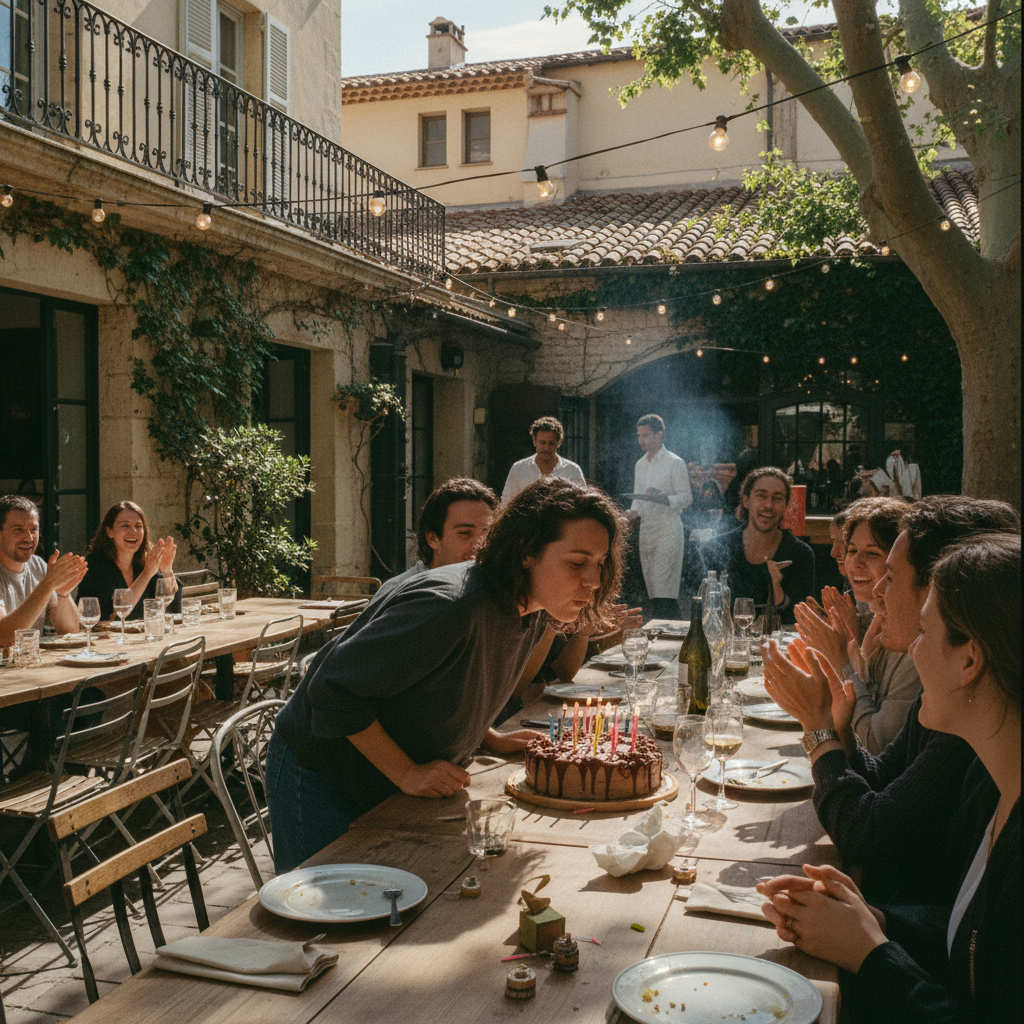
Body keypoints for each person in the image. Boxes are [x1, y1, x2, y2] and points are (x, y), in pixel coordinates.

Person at [267, 476, 626, 872]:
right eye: (577, 562)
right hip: (322, 774)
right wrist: (406, 772)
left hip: (390, 781)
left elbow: (450, 676)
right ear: (526, 551)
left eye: (600, 563)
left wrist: (486, 736)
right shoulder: (450, 605)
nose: (592, 581)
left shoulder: (534, 608)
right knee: (321, 925)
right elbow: (331, 688)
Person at [758, 532, 1020, 1024]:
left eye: (924, 633)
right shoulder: (994, 788)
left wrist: (871, 953)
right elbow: (969, 937)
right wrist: (876, 919)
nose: (914, 652)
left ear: (970, 660)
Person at [761, 496, 1018, 905]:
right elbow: (885, 779)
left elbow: (871, 835)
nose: (877, 588)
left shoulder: (974, 715)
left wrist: (819, 729)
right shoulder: (947, 692)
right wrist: (839, 731)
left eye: (892, 575)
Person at [784, 497, 919, 753]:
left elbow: (876, 745)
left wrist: (841, 656)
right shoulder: (873, 618)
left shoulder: (912, 639)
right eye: (852, 550)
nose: (855, 563)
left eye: (873, 553)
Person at [707, 467, 813, 625]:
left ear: (786, 505)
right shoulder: (719, 547)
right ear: (746, 501)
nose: (768, 504)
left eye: (777, 498)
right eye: (761, 496)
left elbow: (801, 622)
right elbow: (707, 612)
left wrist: (778, 589)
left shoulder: (800, 554)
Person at [371, 478, 498, 604]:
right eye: (465, 533)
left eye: (487, 533)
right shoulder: (402, 594)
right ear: (433, 539)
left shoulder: (491, 589)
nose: (480, 544)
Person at [625, 414, 692, 619]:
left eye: (645, 435)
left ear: (659, 435)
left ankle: (674, 632)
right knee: (654, 591)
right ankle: (666, 633)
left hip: (667, 528)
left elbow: (687, 498)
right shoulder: (640, 464)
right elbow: (638, 499)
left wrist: (664, 499)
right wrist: (630, 513)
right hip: (647, 529)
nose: (641, 440)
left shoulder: (675, 462)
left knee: (664, 589)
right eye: (639, 435)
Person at [0, 494, 85, 647]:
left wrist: (63, 594)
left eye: (34, 529)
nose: (29, 538)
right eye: (18, 530)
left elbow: (70, 632)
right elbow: (4, 638)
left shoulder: (38, 565)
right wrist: (48, 585)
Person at [77, 501, 181, 621]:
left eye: (138, 526)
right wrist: (146, 574)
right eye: (125, 526)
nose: (133, 532)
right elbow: (113, 617)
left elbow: (172, 608)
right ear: (110, 532)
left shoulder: (143, 562)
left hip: (143, 637)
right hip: (105, 638)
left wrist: (167, 571)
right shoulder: (96, 564)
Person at [500, 416, 584, 503]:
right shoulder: (519, 469)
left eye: (551, 443)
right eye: (542, 443)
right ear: (534, 441)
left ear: (559, 442)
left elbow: (582, 504)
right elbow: (506, 503)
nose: (546, 448)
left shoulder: (573, 470)